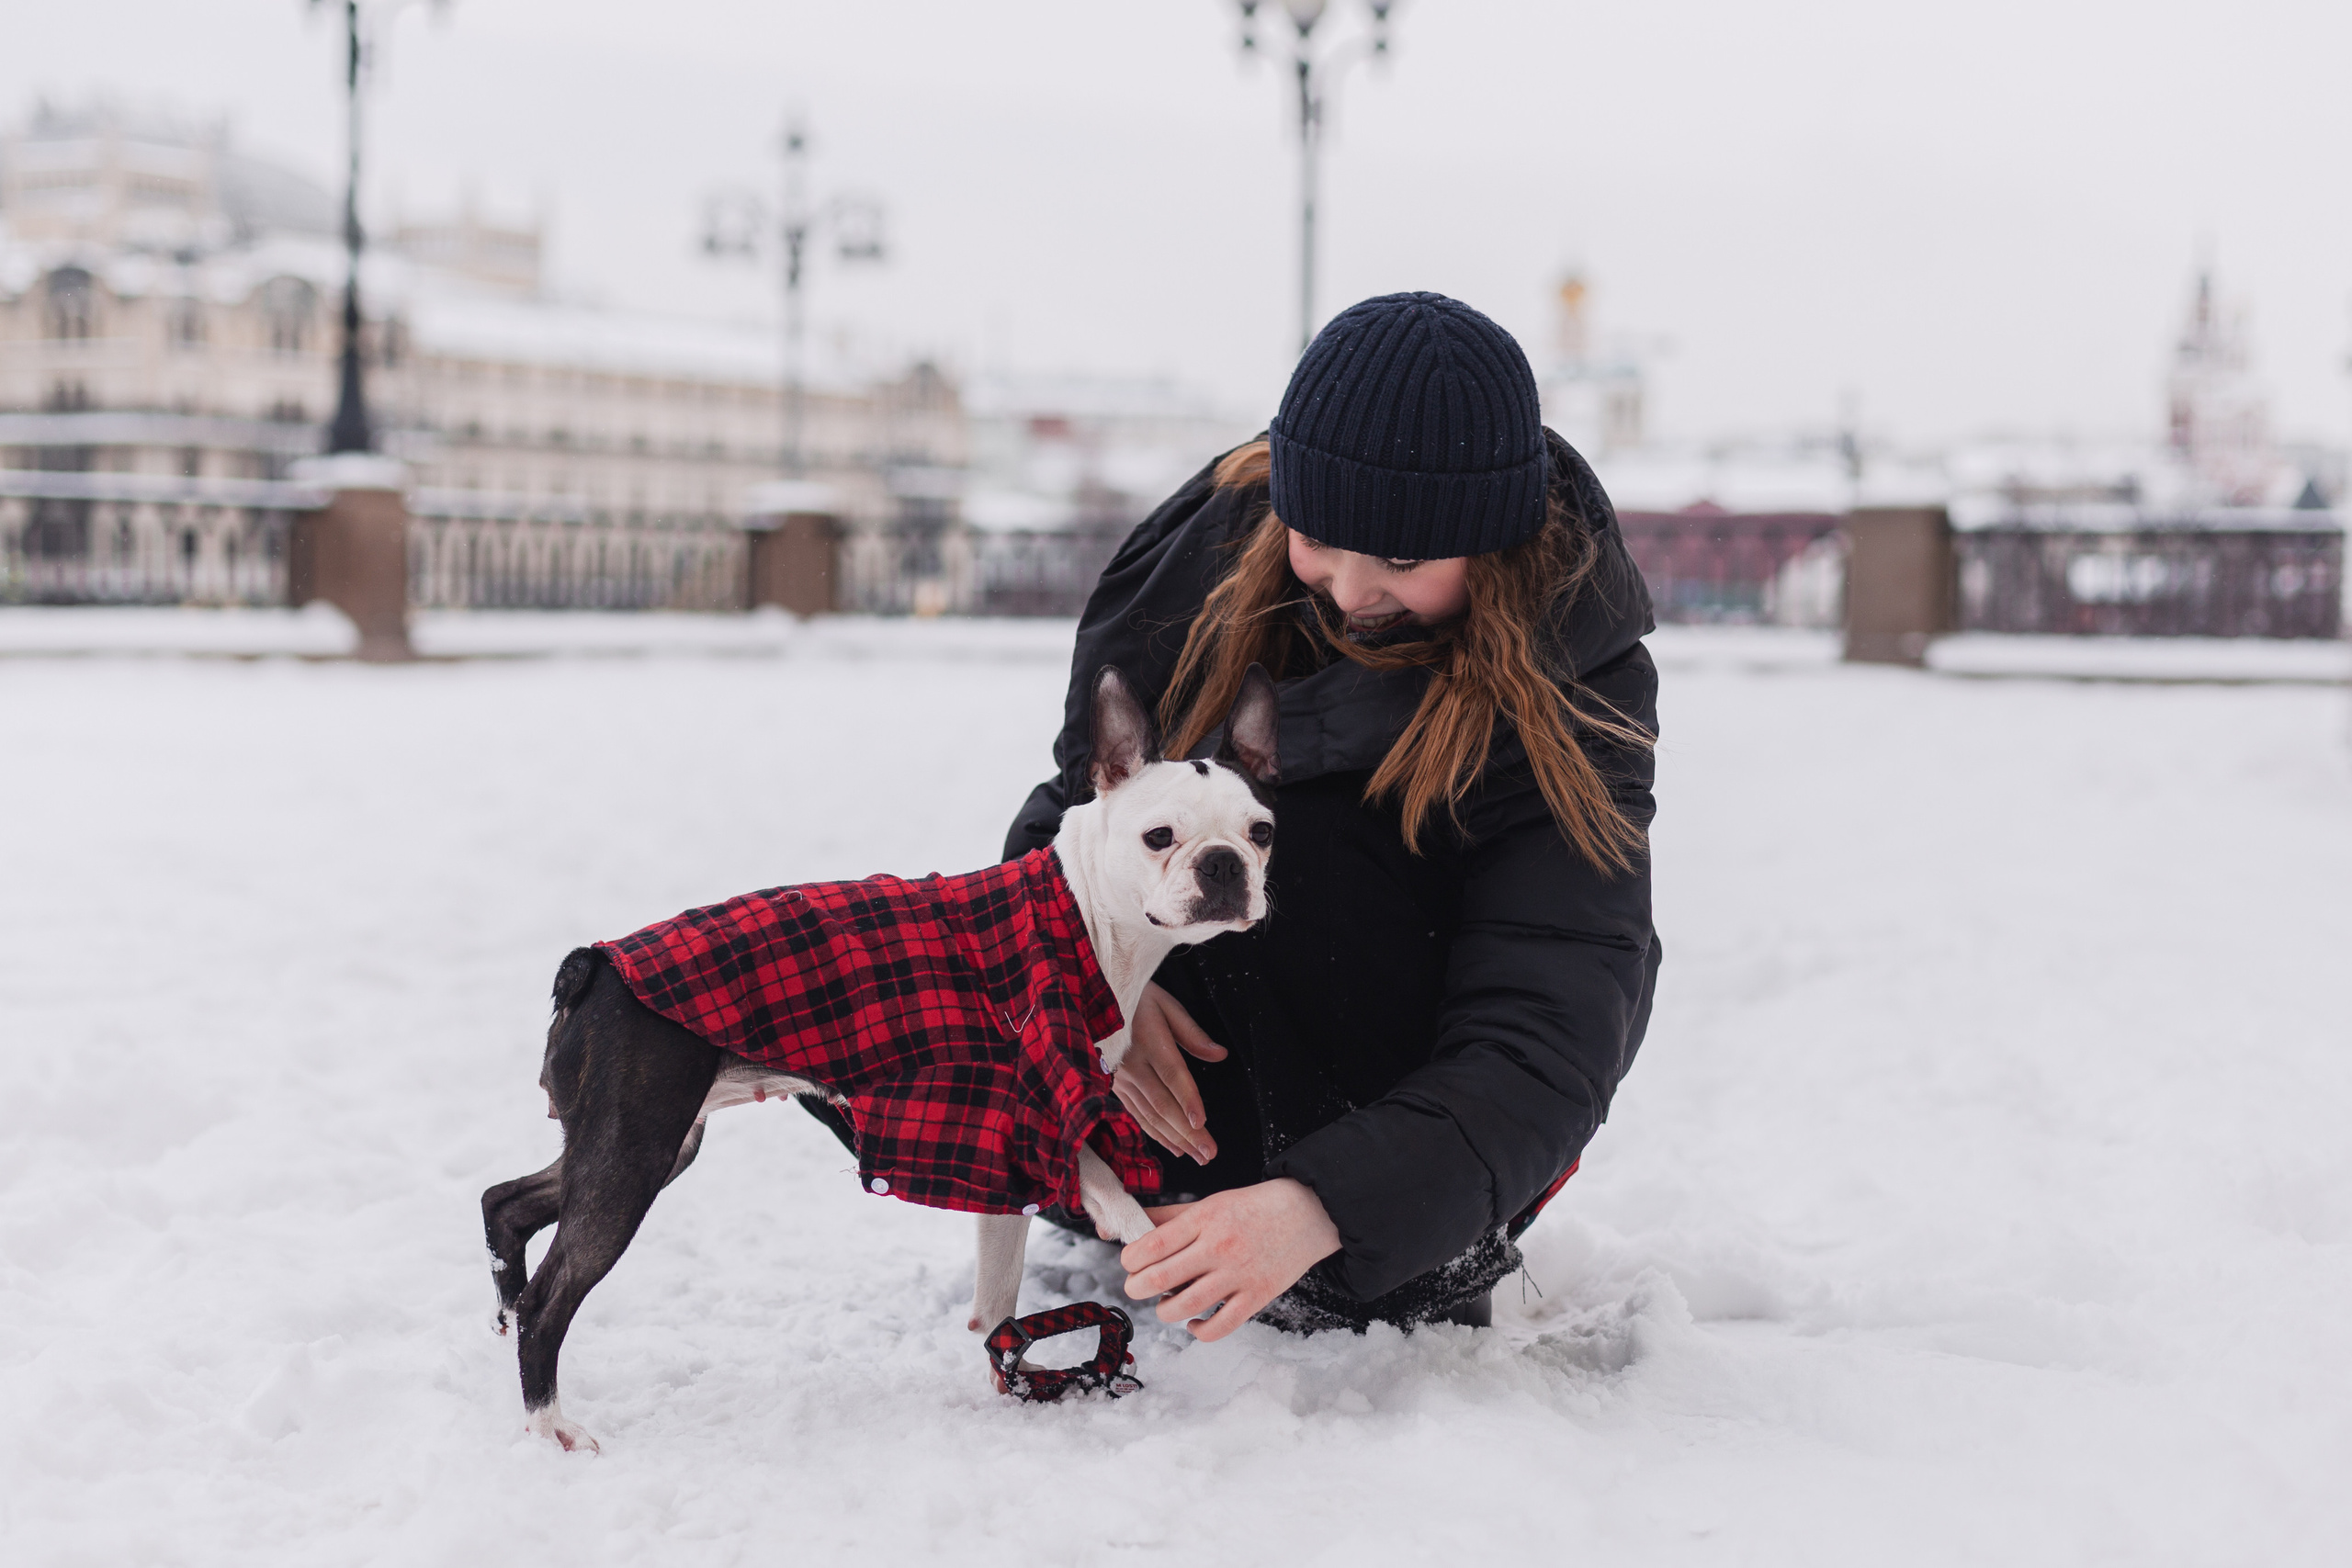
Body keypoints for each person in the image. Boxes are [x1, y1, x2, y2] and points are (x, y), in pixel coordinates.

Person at [1001, 291, 1662, 1337]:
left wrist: (1328, 1205)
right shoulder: (1201, 580)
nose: (1352, 591)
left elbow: (1554, 1014)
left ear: (1491, 547)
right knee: (920, 983)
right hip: (1183, 1096)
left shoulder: (1577, 679)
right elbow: (1067, 824)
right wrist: (1103, 987)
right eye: (1319, 540)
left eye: (1404, 561)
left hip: (1402, 1149)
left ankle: (1305, 1233)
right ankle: (1138, 1193)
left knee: (1323, 839)